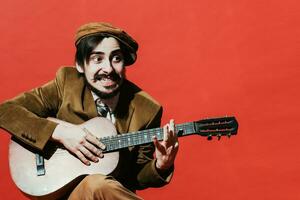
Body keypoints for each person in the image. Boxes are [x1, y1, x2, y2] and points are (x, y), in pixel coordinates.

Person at [0, 22, 179, 199]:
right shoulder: (66, 84)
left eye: (116, 58)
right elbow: (5, 111)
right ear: (80, 65)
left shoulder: (147, 109)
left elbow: (135, 178)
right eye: (97, 59)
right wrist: (60, 132)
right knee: (96, 184)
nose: (108, 68)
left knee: (97, 184)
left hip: (106, 194)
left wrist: (161, 165)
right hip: (61, 194)